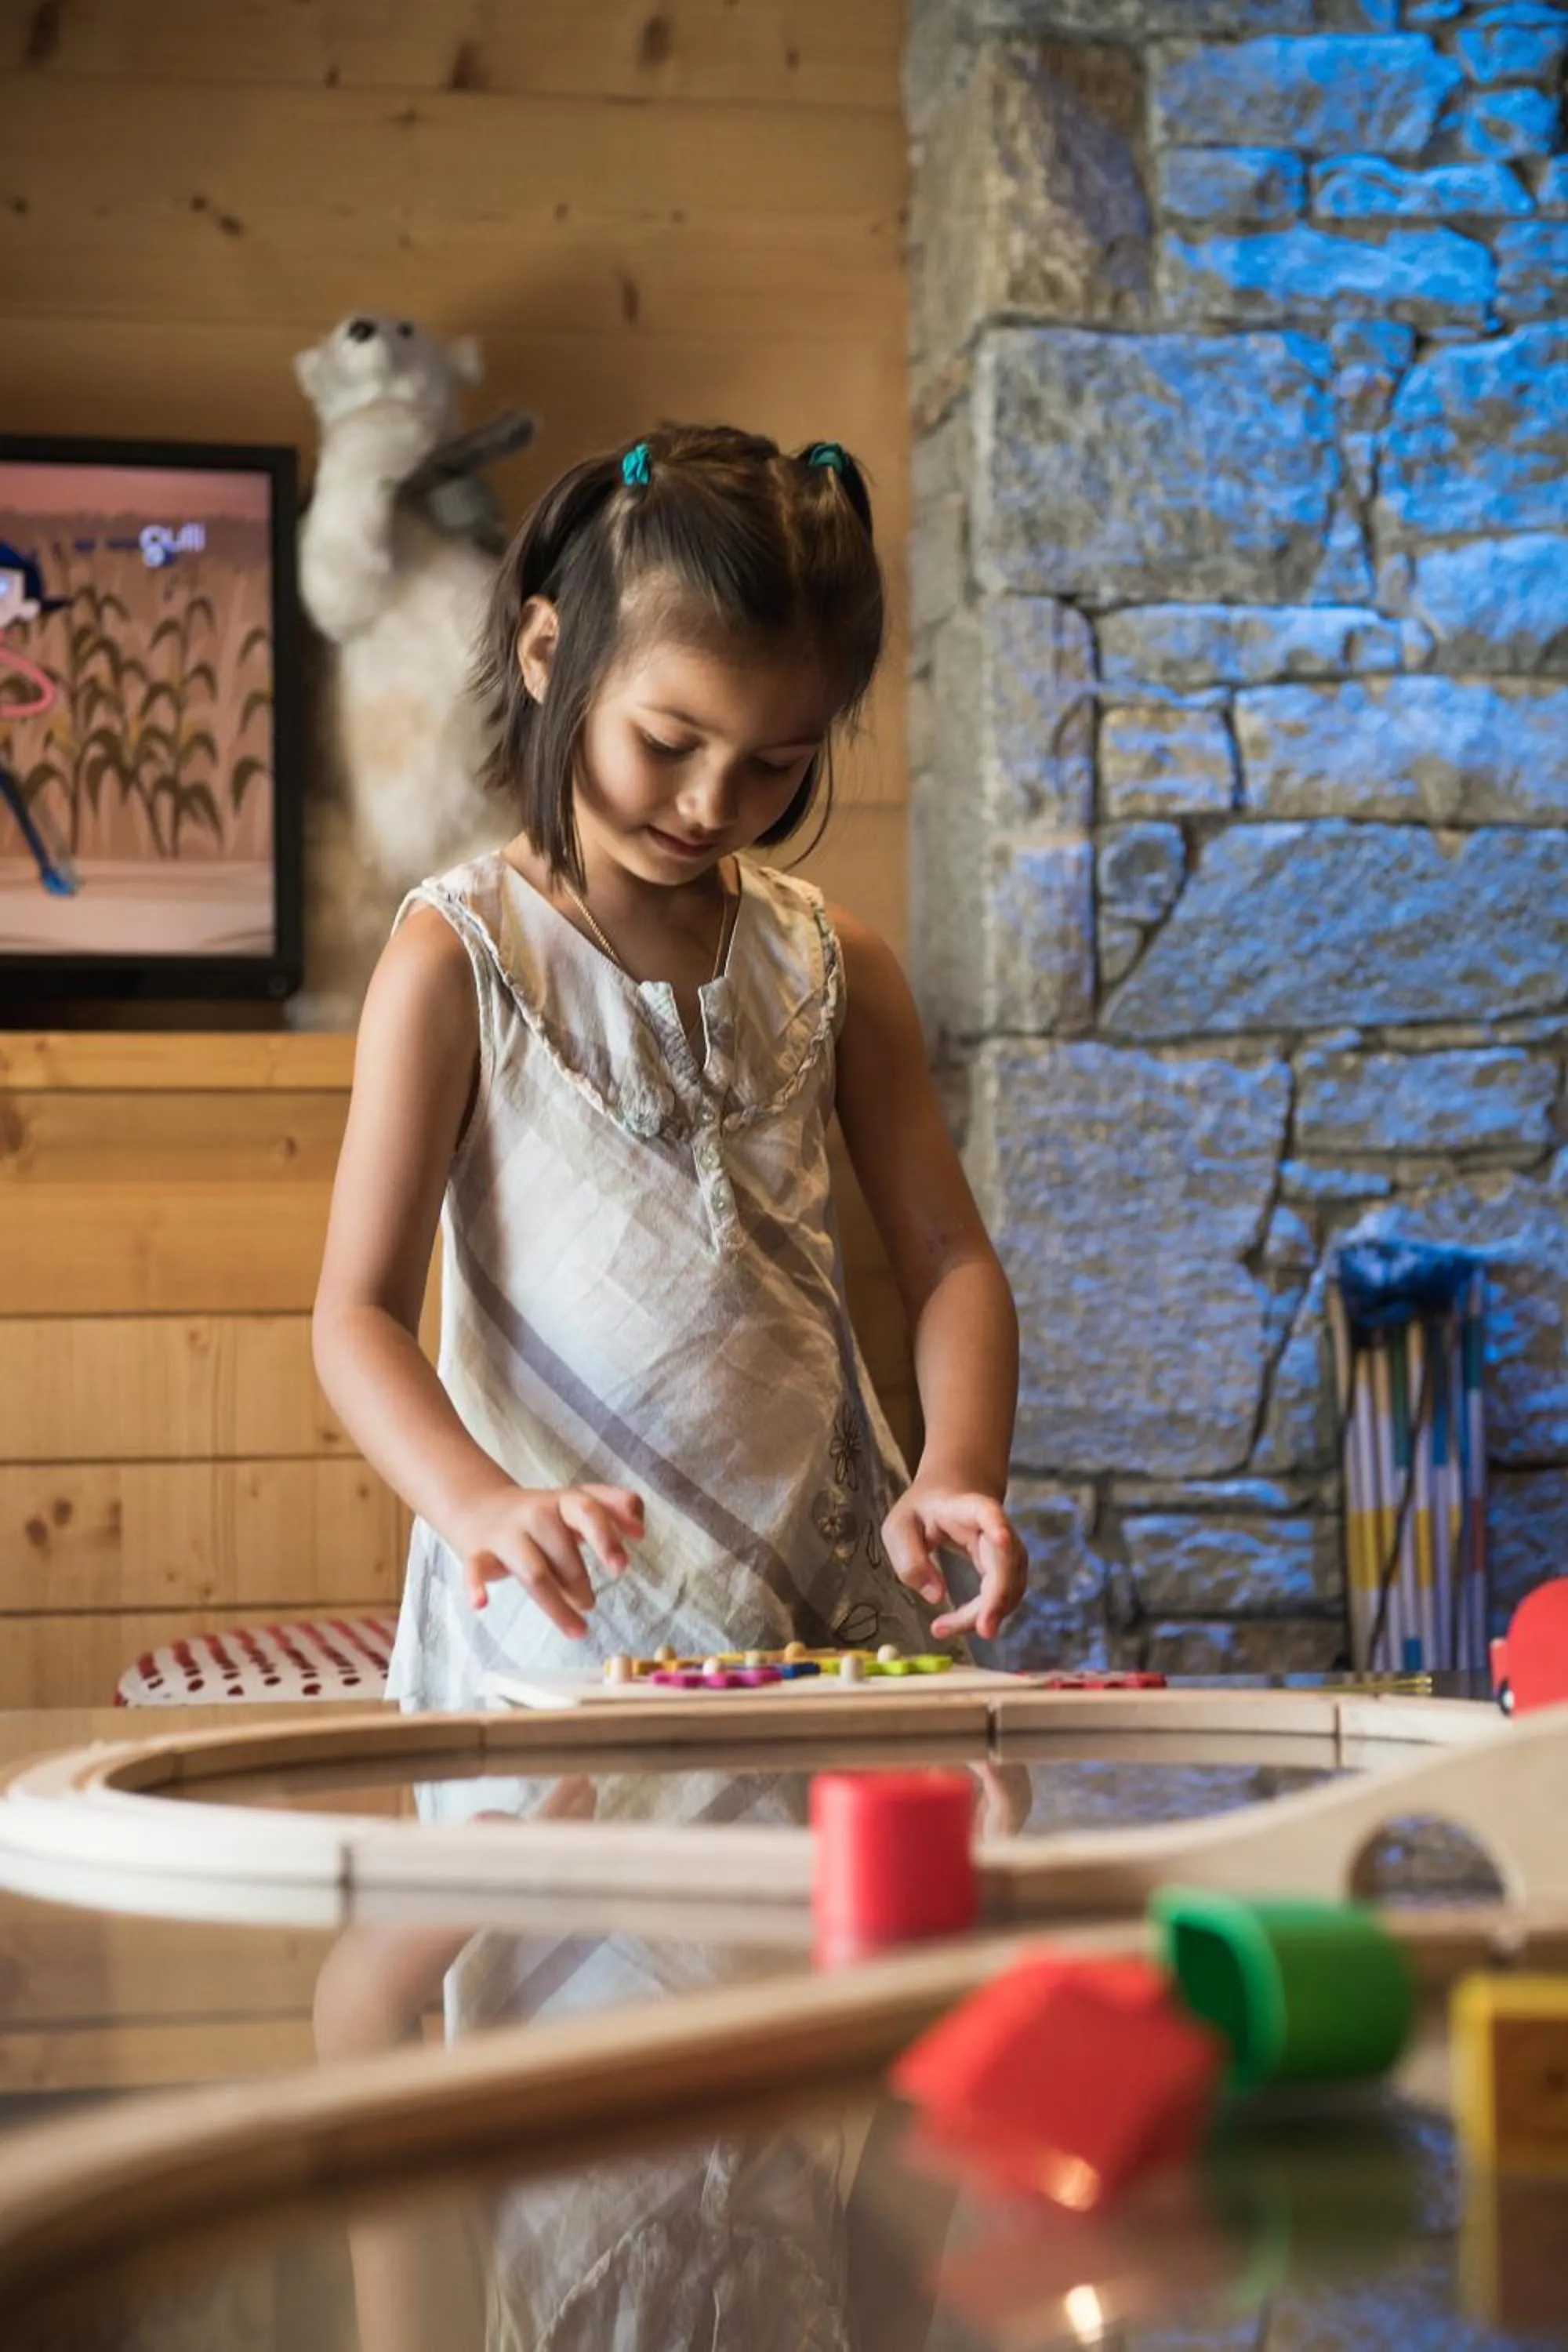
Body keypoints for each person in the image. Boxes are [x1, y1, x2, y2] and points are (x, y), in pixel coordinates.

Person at [312, 422, 1026, 1709]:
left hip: (827, 1617)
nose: (711, 803)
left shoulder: (831, 961)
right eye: (670, 741)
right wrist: (479, 1505)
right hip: (559, 1632)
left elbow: (954, 1261)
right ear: (548, 655)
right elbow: (355, 1316)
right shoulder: (456, 960)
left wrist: (959, 1465)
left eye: (777, 763)